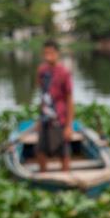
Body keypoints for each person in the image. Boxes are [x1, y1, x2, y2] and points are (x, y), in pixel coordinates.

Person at [36, 39, 74, 172]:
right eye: (46, 53)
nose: (48, 55)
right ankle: (43, 177)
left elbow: (69, 100)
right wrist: (39, 118)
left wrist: (69, 126)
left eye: (51, 52)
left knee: (62, 151)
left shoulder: (64, 72)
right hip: (45, 116)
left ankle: (66, 178)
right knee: (40, 149)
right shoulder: (42, 70)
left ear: (57, 53)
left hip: (60, 117)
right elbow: (43, 95)